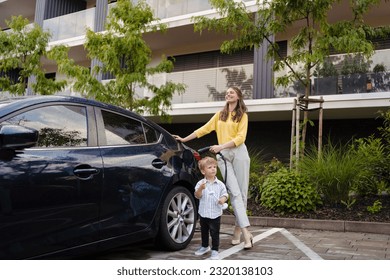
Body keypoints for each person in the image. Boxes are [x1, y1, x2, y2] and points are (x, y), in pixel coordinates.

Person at [173, 86, 253, 249]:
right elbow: (203, 130)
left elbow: (240, 138)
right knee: (234, 193)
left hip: (238, 153)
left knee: (242, 194)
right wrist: (184, 139)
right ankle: (247, 234)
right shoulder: (220, 115)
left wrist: (221, 146)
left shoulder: (242, 115)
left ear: (238, 96)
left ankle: (238, 230)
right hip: (223, 156)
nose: (228, 94)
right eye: (227, 92)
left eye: (232, 92)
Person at [194, 156, 229, 260]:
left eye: (214, 167)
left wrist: (223, 199)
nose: (213, 169)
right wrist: (201, 188)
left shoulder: (220, 184)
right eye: (209, 167)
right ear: (203, 171)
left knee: (214, 232)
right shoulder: (200, 183)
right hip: (204, 213)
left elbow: (225, 194)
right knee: (204, 231)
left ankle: (215, 250)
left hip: (215, 214)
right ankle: (205, 246)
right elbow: (197, 195)